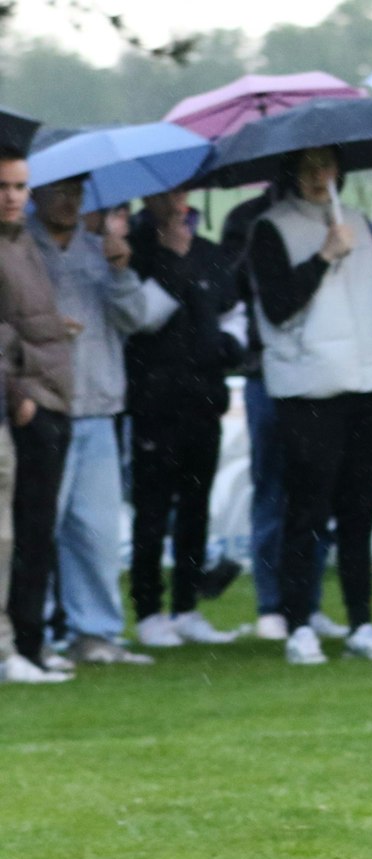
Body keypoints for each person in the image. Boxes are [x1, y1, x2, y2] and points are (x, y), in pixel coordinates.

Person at [247, 145, 372, 665]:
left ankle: (361, 622)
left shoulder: (359, 222)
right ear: (292, 171)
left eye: (327, 165)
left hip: (370, 385)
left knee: (359, 511)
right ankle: (299, 623)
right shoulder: (271, 228)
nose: (319, 176)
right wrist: (323, 258)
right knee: (307, 511)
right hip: (308, 390)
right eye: (309, 167)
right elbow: (276, 306)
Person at [31, 180, 165, 666]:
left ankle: (97, 633)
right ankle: (35, 633)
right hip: (44, 408)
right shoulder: (20, 249)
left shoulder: (101, 251)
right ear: (37, 195)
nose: (69, 202)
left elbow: (138, 319)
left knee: (96, 533)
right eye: (58, 192)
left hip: (101, 408)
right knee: (38, 530)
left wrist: (121, 270)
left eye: (76, 193)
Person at [127, 190, 246, 647]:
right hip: (154, 404)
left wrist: (229, 347)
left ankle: (186, 606)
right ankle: (149, 610)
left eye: (182, 192)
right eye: (166, 194)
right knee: (152, 511)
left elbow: (234, 311)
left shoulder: (209, 253)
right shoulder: (135, 252)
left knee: (195, 510)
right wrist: (173, 262)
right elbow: (142, 319)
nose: (176, 201)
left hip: (204, 400)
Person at [225, 185, 339, 644]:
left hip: (322, 369)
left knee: (317, 495)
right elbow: (235, 287)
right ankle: (274, 603)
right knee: (273, 489)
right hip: (266, 370)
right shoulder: (247, 219)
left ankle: (306, 603)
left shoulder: (329, 215)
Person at [0, 144, 74, 684]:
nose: (11, 197)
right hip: (27, 400)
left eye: (20, 187)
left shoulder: (24, 241)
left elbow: (25, 318)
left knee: (38, 529)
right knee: (21, 530)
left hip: (53, 393)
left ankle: (32, 641)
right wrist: (18, 389)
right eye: (3, 187)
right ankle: (18, 646)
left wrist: (54, 328)